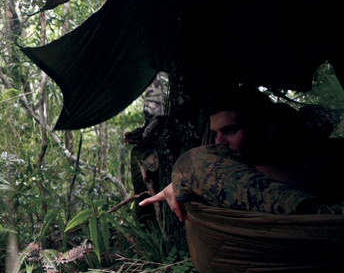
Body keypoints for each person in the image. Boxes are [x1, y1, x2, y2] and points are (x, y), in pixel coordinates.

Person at [139, 87, 343, 220]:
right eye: (215, 133)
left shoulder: (309, 147)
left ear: (266, 129)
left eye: (230, 131)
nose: (220, 142)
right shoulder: (242, 156)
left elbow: (315, 179)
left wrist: (216, 175)